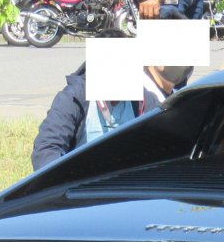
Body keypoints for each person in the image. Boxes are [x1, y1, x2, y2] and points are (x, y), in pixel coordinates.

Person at [31, 63, 171, 171]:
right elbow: (47, 148)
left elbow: (168, 140)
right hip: (80, 186)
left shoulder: (145, 100)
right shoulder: (73, 98)